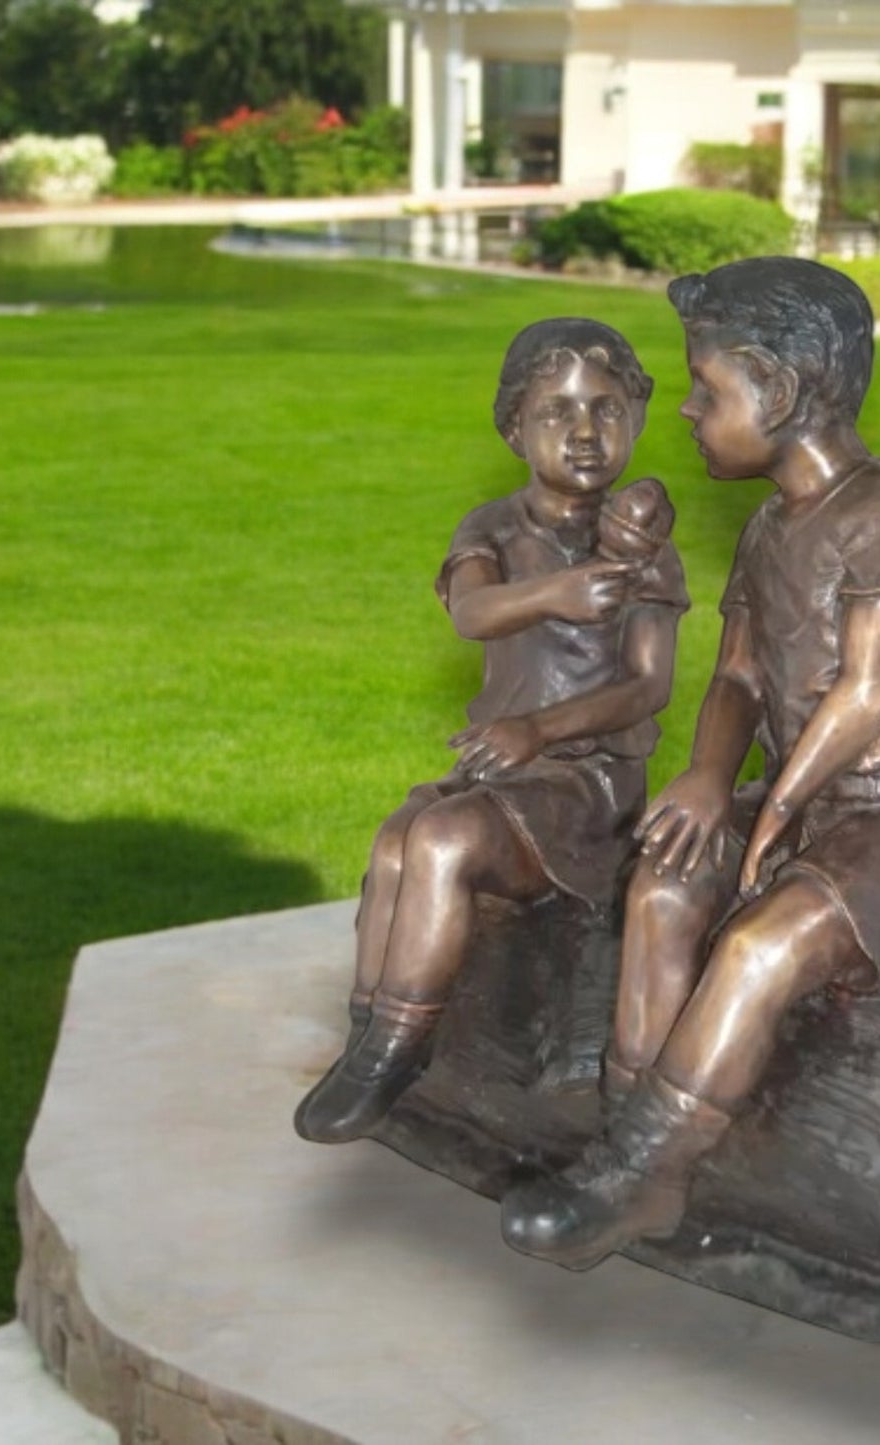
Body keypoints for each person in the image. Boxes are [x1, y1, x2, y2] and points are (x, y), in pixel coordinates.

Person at [501, 257, 880, 1269]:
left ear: (776, 386)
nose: (683, 410)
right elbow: (736, 680)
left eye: (704, 389)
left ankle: (643, 1166)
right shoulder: (767, 528)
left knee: (761, 944)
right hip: (794, 802)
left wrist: (775, 812)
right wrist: (711, 779)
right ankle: (633, 1145)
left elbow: (865, 689)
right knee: (665, 879)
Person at [295, 318, 688, 1145]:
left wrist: (537, 730)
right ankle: (370, 1029)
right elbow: (472, 612)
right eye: (556, 412)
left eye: (606, 410)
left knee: (440, 843)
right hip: (504, 769)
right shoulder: (496, 528)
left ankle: (394, 1052)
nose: (584, 433)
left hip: (586, 784)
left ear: (636, 420)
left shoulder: (644, 552)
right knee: (398, 841)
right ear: (514, 427)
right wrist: (559, 595)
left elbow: (647, 688)